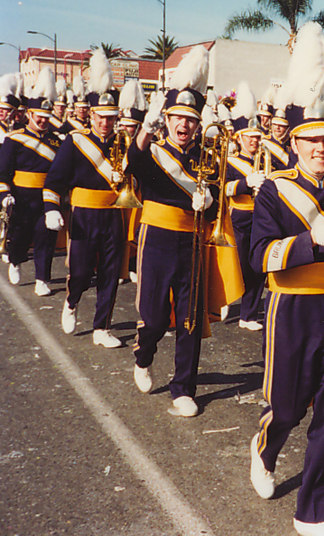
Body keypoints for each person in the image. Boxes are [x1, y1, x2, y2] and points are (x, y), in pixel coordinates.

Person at [247, 22, 324, 536]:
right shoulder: (274, 191)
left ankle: (313, 511)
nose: (322, 149)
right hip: (293, 308)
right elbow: (259, 257)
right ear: (295, 143)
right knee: (287, 406)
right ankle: (265, 447)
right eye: (312, 141)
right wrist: (312, 242)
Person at [127, 46, 240, 417]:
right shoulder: (155, 150)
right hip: (157, 237)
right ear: (168, 119)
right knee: (156, 317)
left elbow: (224, 191)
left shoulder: (207, 156)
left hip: (191, 242)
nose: (184, 125)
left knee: (191, 318)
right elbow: (136, 162)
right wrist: (145, 128)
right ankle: (143, 357)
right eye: (178, 118)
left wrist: (217, 196)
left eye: (191, 120)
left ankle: (183, 387)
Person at [42, 49, 126, 348]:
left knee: (110, 273)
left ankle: (101, 328)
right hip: (83, 214)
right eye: (101, 117)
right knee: (79, 271)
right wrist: (52, 207)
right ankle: (72, 301)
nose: (106, 123)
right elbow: (55, 179)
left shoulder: (122, 142)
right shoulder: (74, 141)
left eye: (111, 117)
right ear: (91, 115)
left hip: (113, 214)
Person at [0, 69, 61, 296]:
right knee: (20, 236)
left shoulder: (56, 141)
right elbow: (3, 172)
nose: (43, 121)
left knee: (46, 237)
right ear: (30, 115)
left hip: (46, 195)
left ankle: (42, 279)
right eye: (39, 117)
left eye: (47, 117)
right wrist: (5, 195)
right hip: (21, 195)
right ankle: (15, 261)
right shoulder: (14, 139)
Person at [224, 83, 267, 331]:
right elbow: (223, 189)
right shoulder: (230, 162)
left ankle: (248, 314)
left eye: (257, 137)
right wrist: (244, 183)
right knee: (236, 264)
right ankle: (226, 299)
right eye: (249, 137)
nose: (253, 141)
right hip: (237, 217)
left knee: (256, 267)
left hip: (259, 218)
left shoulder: (265, 160)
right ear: (239, 139)